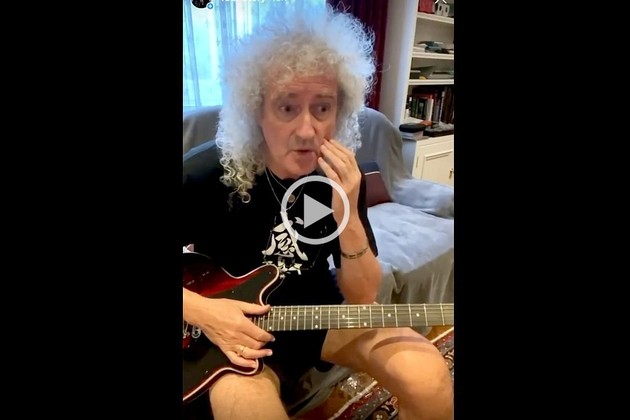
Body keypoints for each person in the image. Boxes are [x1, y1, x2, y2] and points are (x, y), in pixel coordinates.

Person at [182, 4, 453, 420]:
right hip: (234, 332)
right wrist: (205, 312)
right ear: (257, 111)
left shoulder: (337, 178)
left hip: (316, 320)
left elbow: (362, 296)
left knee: (428, 378)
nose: (308, 130)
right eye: (287, 108)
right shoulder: (205, 174)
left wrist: (348, 212)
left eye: (322, 108)